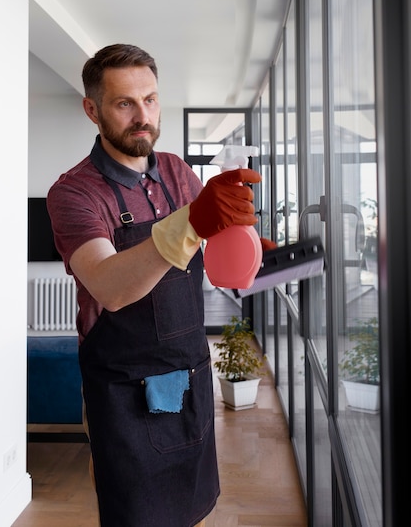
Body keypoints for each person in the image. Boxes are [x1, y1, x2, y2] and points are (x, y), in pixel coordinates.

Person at [47, 43, 262, 527]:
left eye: (151, 99)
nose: (142, 116)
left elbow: (204, 260)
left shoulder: (177, 171)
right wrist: (189, 223)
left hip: (188, 373)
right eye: (125, 103)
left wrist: (245, 246)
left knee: (195, 507)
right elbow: (109, 285)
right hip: (124, 392)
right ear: (92, 109)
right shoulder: (75, 193)